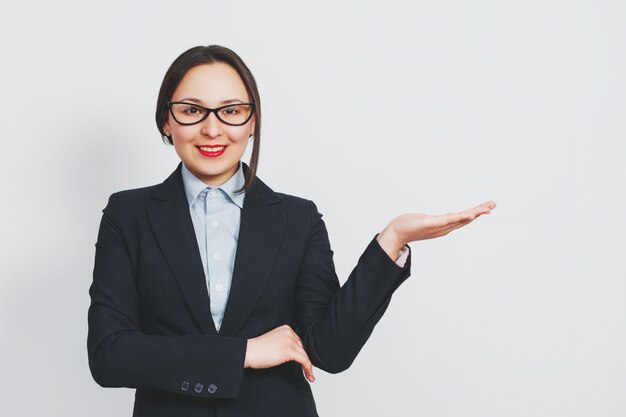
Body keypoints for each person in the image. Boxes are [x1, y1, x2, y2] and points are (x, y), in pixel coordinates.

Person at [87, 45, 496, 417]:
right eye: (192, 110)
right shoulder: (128, 214)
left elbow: (329, 350)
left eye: (231, 111)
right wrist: (243, 353)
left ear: (252, 122)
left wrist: (392, 240)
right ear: (166, 121)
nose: (212, 130)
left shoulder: (297, 219)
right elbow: (109, 354)